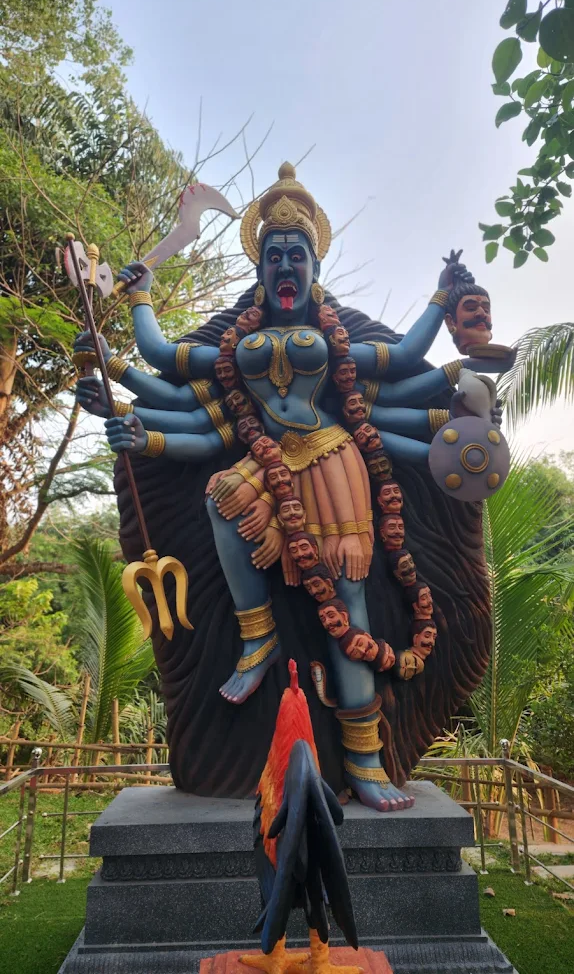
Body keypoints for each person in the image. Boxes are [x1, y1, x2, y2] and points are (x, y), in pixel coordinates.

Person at [75, 164, 510, 812]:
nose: (285, 264)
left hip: (335, 469)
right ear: (261, 268)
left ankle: (364, 761)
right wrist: (127, 394)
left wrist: (443, 305)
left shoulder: (339, 346)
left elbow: (407, 364)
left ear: (312, 266)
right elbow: (171, 376)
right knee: (221, 497)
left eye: (296, 254)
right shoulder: (236, 345)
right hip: (261, 464)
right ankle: (258, 635)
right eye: (274, 254)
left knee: (350, 615)